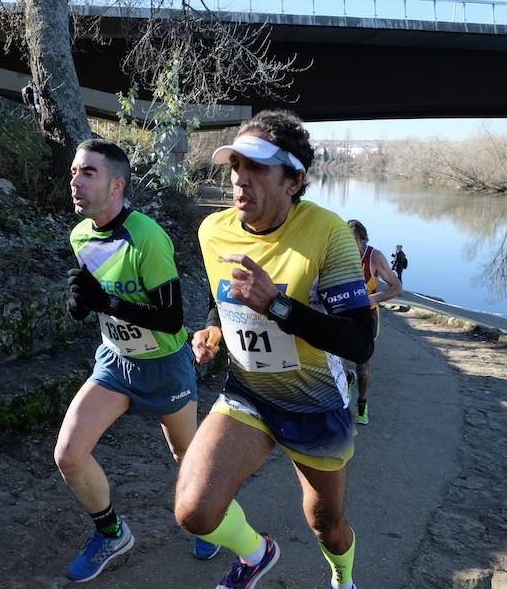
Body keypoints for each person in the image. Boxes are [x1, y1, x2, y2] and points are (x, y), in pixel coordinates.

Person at [175, 110, 375, 589]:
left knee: (325, 524)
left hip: (315, 403)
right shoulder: (213, 232)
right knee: (194, 511)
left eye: (257, 167)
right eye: (235, 166)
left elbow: (358, 338)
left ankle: (342, 577)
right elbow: (220, 301)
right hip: (249, 394)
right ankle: (257, 552)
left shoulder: (328, 235)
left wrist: (280, 307)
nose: (240, 178)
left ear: (294, 179)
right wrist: (212, 332)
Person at [57, 138, 218, 583]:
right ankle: (112, 534)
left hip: (165, 364)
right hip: (113, 361)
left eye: (88, 173)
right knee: (68, 454)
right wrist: (80, 303)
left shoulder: (147, 237)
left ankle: (213, 519)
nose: (75, 181)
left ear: (116, 185)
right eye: (74, 171)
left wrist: (104, 301)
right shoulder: (80, 235)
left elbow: (170, 320)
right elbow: (95, 295)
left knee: (186, 454)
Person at [346, 220, 402, 425]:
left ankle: (362, 403)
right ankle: (346, 382)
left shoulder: (374, 257)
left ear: (362, 240)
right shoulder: (338, 253)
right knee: (337, 363)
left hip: (366, 317)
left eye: (352, 242)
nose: (348, 247)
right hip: (342, 314)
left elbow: (396, 287)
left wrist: (373, 298)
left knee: (363, 367)